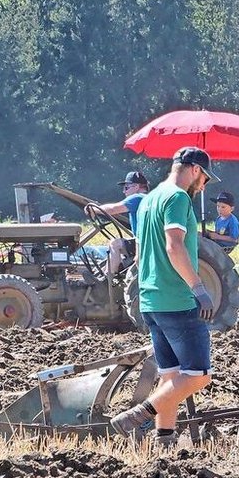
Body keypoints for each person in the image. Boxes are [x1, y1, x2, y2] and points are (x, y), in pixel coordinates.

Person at [108, 147, 221, 446]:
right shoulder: (178, 198)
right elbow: (174, 246)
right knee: (198, 376)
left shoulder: (148, 201)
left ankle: (165, 441)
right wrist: (199, 288)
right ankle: (137, 414)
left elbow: (143, 252)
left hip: (151, 301)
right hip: (177, 300)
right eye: (205, 178)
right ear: (195, 170)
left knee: (171, 377)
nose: (204, 186)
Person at [91, 171, 149, 277]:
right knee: (119, 245)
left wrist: (94, 209)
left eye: (126, 187)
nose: (124, 191)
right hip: (148, 242)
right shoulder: (148, 198)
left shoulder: (137, 198)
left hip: (145, 244)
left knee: (115, 244)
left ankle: (107, 278)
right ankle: (113, 270)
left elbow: (113, 209)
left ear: (136, 186)